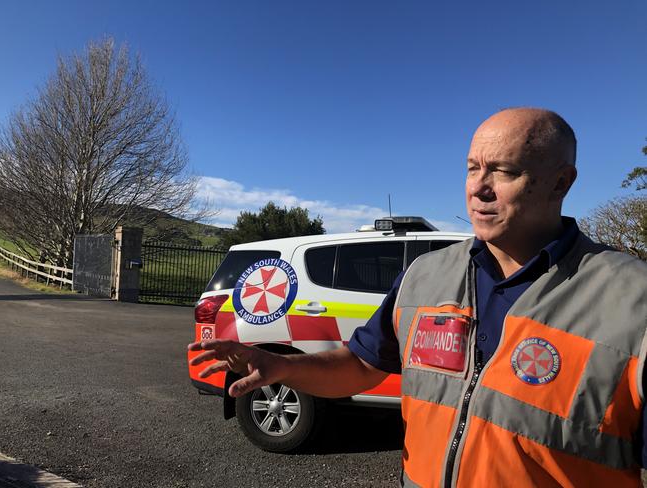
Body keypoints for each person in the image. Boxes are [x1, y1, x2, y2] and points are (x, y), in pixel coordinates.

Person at [189, 108, 647, 487]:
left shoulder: (632, 303)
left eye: (503, 170)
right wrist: (283, 367)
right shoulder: (425, 276)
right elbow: (362, 366)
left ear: (561, 183)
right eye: (472, 168)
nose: (478, 188)